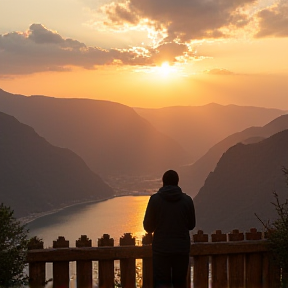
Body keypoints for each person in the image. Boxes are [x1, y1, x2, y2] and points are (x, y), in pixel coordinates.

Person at [143, 170, 196, 288]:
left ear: (163, 182)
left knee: (161, 284)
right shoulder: (187, 200)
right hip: (181, 249)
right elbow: (191, 225)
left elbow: (148, 227)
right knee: (180, 283)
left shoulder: (155, 200)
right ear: (178, 182)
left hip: (161, 250)